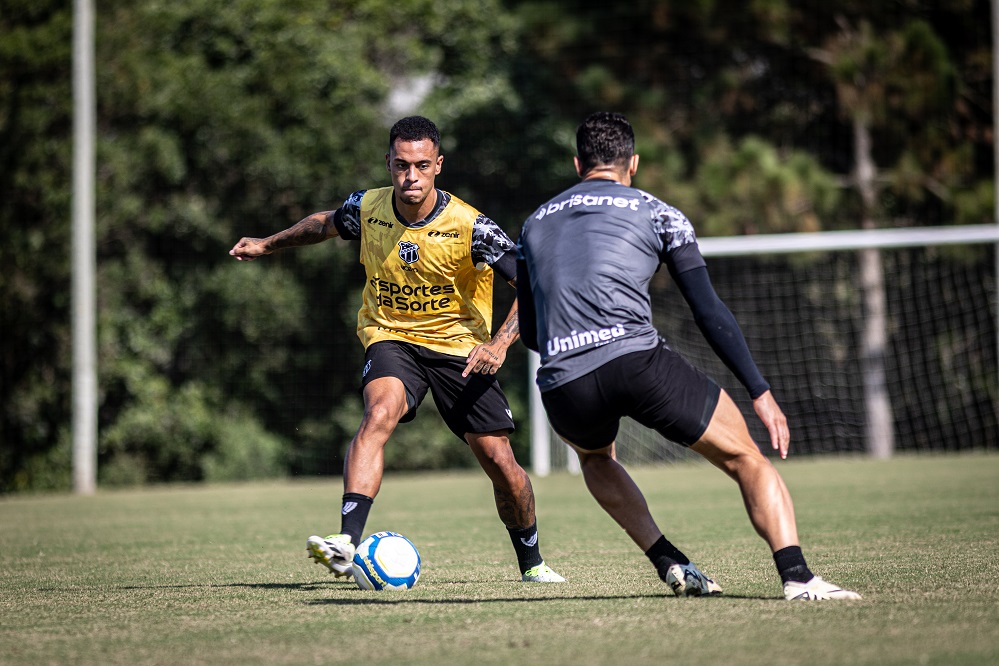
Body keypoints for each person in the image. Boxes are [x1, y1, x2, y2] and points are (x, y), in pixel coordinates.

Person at [515, 111, 860, 600]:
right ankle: (799, 578)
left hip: (564, 380)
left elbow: (532, 332)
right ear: (631, 164)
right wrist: (759, 390)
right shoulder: (658, 212)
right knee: (746, 457)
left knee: (595, 458)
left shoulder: (532, 223)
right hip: (637, 361)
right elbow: (708, 311)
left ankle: (669, 561)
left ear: (577, 164)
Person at [230, 116, 563, 583]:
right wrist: (267, 244)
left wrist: (499, 343)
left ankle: (533, 564)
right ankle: (345, 541)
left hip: (460, 349)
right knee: (378, 413)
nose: (411, 176)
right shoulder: (367, 208)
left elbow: (533, 286)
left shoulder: (472, 226)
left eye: (422, 166)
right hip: (391, 336)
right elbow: (323, 224)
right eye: (402, 165)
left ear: (438, 166)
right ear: (388, 163)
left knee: (499, 461)